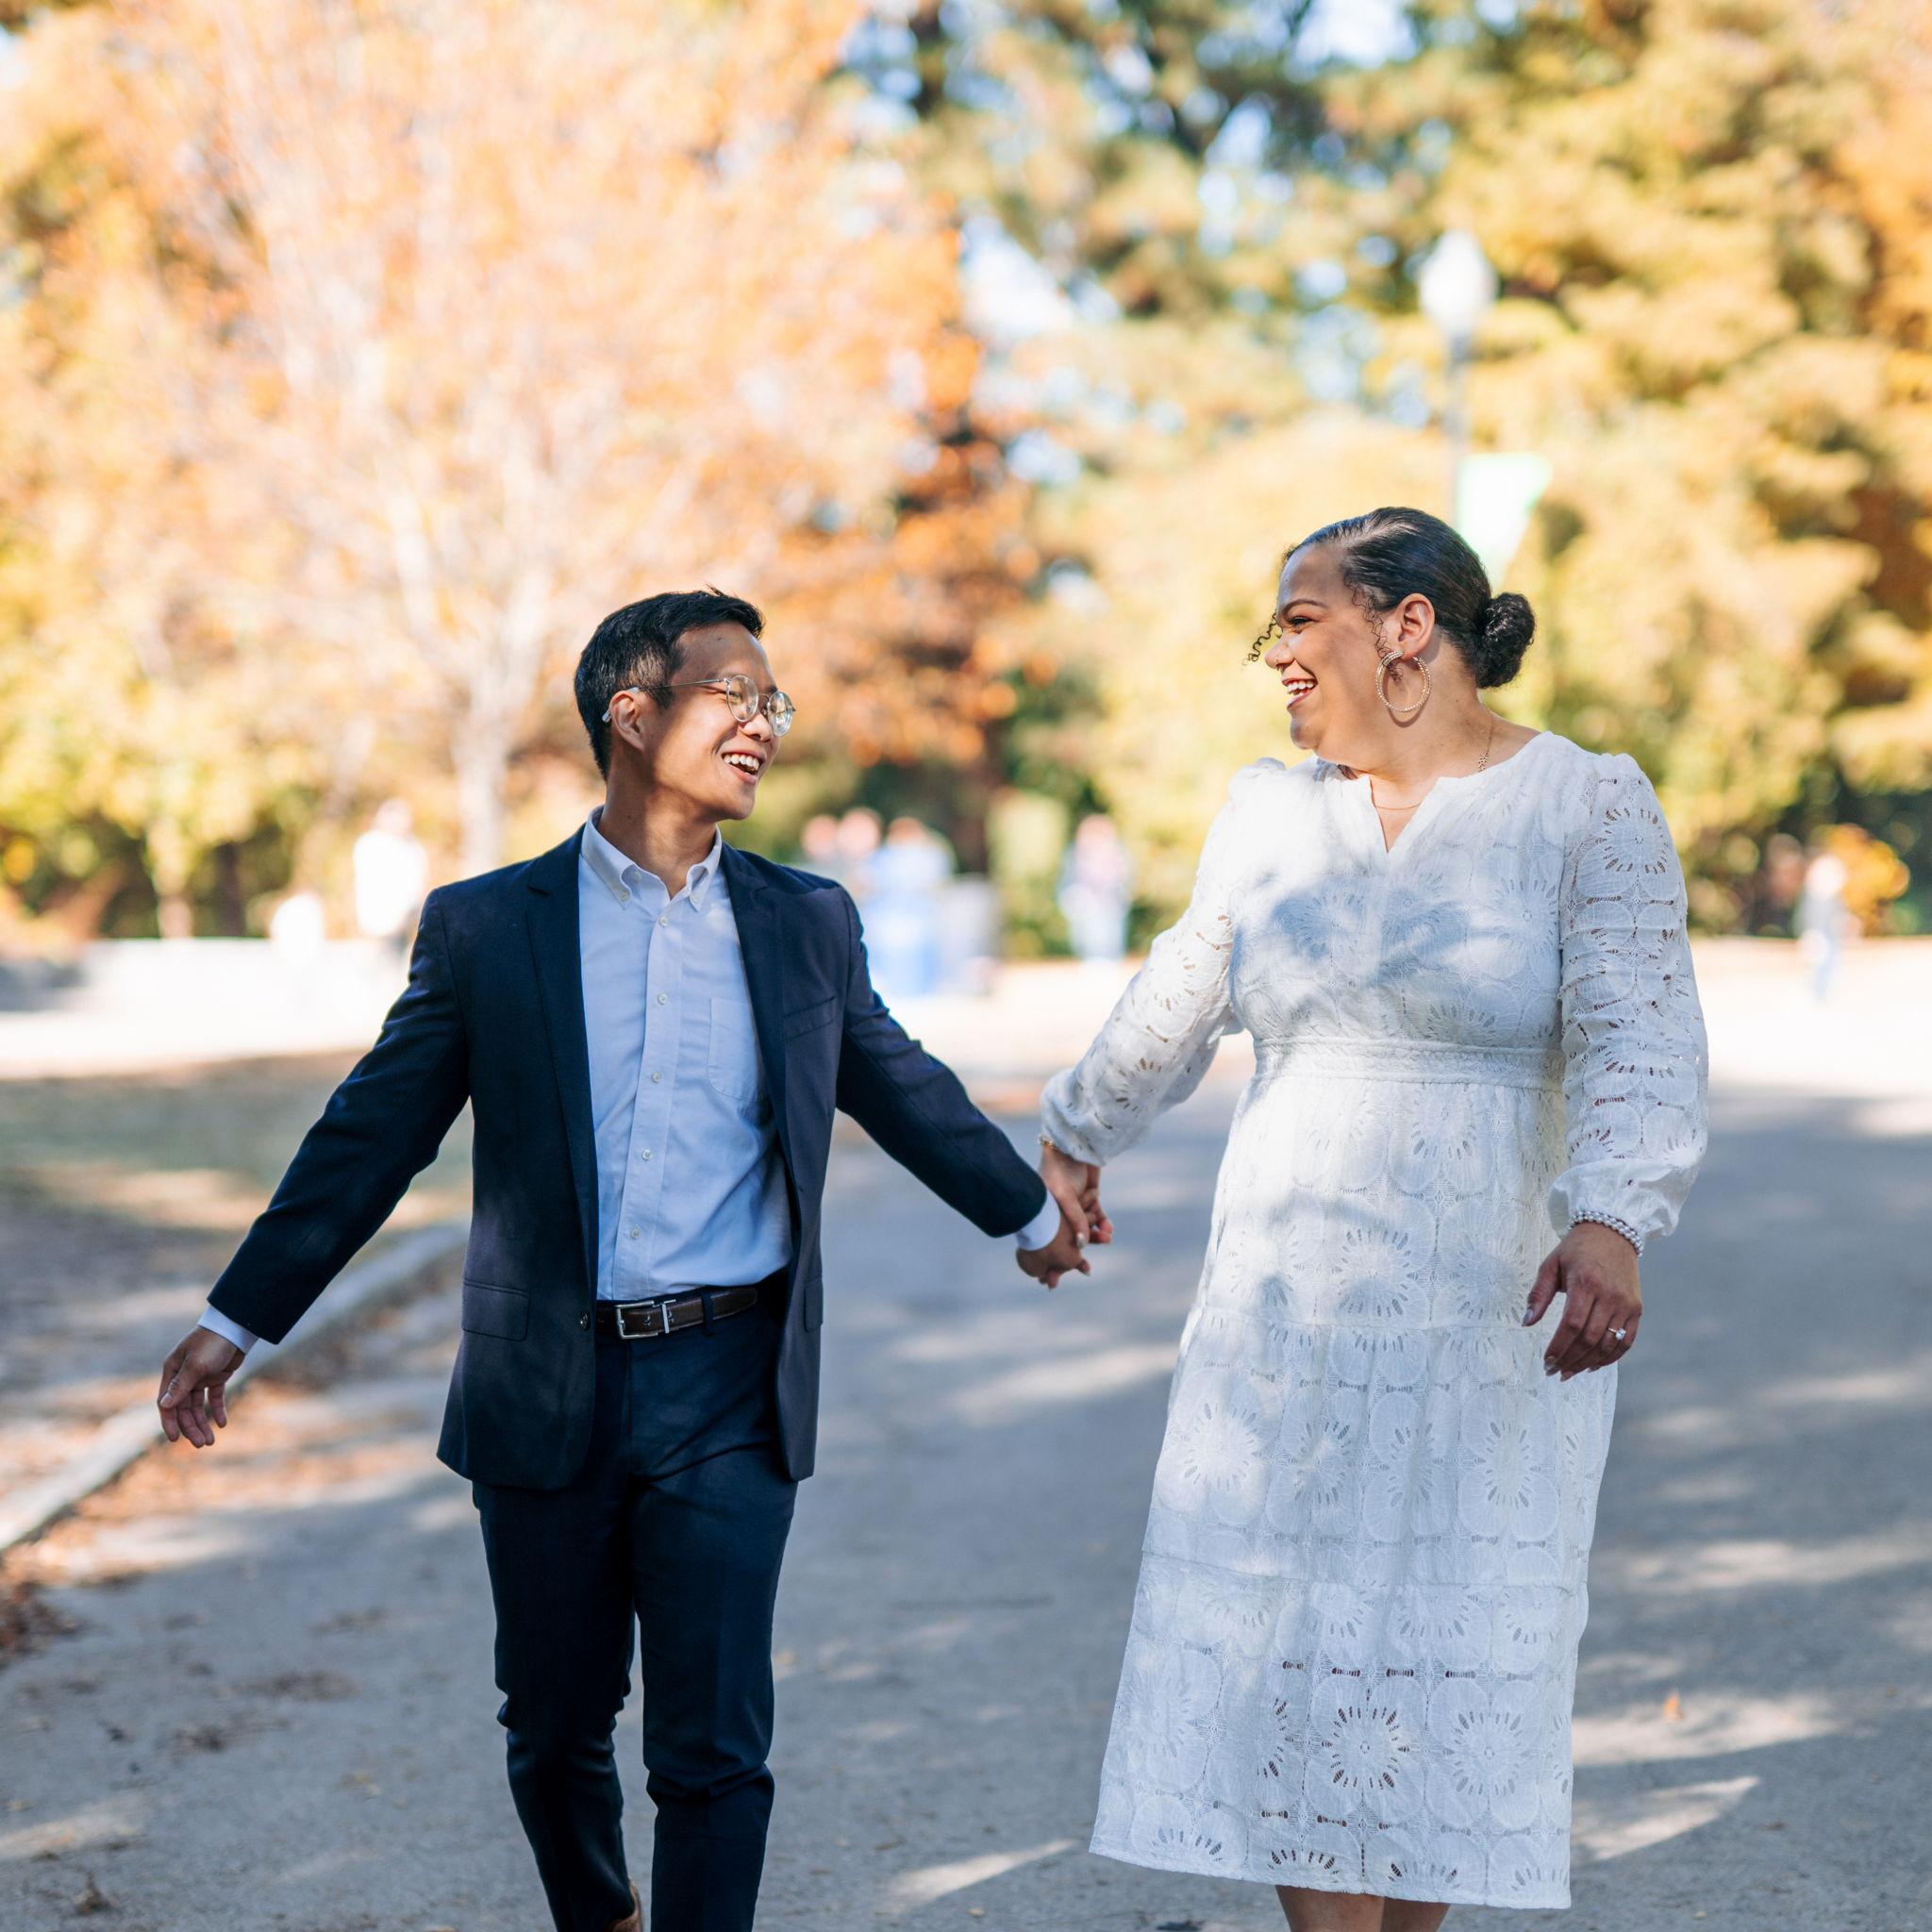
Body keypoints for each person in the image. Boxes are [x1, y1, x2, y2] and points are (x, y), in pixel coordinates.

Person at [156, 591, 1087, 1932]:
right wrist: (235, 1320)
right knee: (552, 1729)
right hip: (546, 1379)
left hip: (729, 1384)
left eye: (774, 701)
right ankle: (600, 1914)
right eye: (734, 695)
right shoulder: (490, 928)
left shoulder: (805, 920)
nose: (765, 724)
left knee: (714, 1749)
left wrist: (1030, 1218)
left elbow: (900, 1084)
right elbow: (369, 1137)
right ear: (632, 714)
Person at [1028, 508, 1708, 1927]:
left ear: (1409, 628)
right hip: (1285, 1305)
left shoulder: (1585, 804)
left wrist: (1613, 1216)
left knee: (1443, 1654)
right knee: (1299, 1642)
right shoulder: (1268, 813)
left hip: (1485, 1303)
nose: (1274, 653)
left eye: (1300, 618)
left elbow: (1638, 1033)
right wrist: (1075, 1134)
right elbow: (1183, 986)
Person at [1058, 812, 1133, 969]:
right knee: (1087, 933)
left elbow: (1124, 878)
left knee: (1110, 932)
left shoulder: (1117, 853)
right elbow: (1068, 880)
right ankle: (1091, 959)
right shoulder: (1075, 854)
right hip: (1087, 904)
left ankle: (1108, 960)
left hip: (1110, 903)